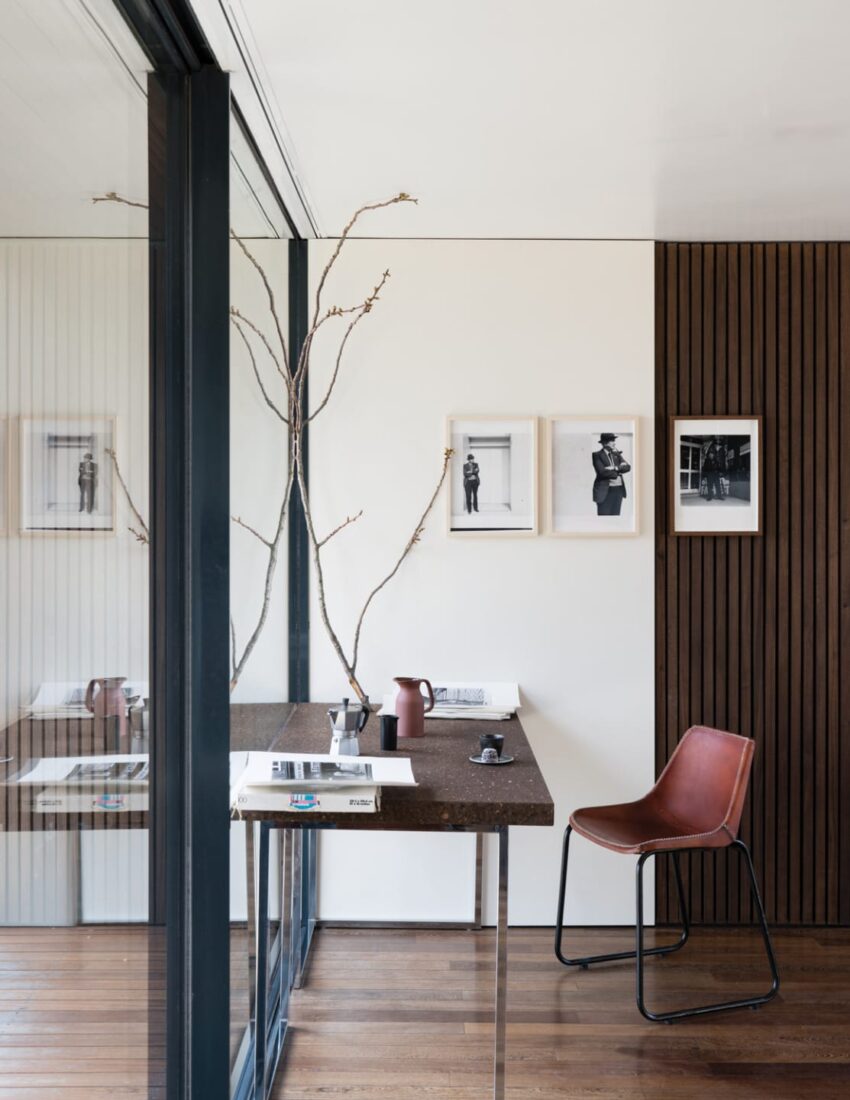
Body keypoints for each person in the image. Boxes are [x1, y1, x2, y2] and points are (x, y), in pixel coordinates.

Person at [592, 433, 630, 516]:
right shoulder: (596, 455)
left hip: (619, 490)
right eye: (612, 441)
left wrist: (614, 468)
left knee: (616, 516)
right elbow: (602, 472)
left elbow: (628, 467)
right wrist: (619, 470)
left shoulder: (617, 454)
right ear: (605, 443)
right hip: (605, 492)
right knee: (604, 518)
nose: (614, 443)